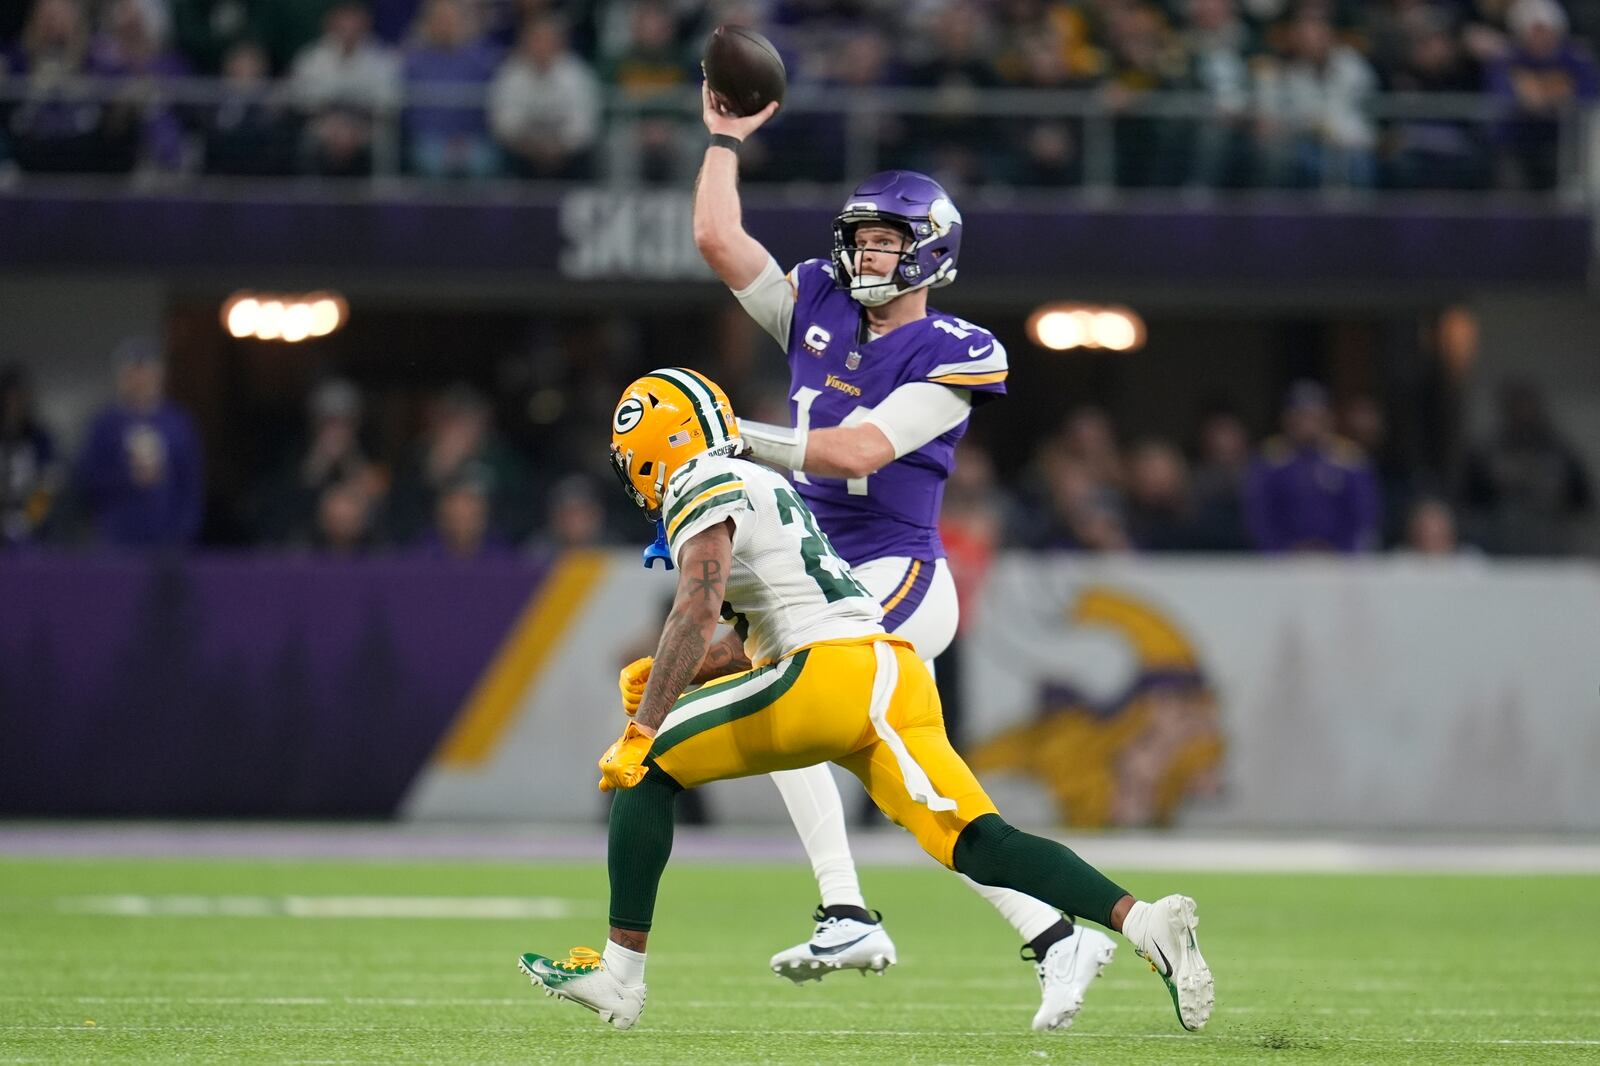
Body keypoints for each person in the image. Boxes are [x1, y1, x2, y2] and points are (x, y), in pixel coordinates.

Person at [517, 370, 1215, 1035]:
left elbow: (697, 610)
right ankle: (1144, 922)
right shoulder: (759, 481)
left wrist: (645, 722)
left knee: (650, 764)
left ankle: (620, 974)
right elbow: (753, 635)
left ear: (653, 445)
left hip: (827, 679)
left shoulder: (701, 477)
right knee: (980, 843)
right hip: (890, 674)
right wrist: (683, 674)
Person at [674, 88, 1116, 1032]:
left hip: (898, 571)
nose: (870, 254)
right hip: (815, 569)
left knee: (803, 691)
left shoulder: (960, 348)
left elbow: (860, 450)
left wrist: (729, 434)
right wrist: (722, 138)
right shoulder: (817, 305)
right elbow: (719, 240)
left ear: (932, 250)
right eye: (863, 239)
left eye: (888, 241)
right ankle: (1051, 932)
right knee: (907, 774)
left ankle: (846, 907)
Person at [74, 337, 204, 548]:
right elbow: (87, 481)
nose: (139, 379)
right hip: (116, 540)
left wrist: (183, 534)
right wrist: (128, 478)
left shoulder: (178, 424)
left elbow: (191, 484)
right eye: (132, 372)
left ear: (159, 375)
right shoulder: (105, 425)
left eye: (146, 371)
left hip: (168, 543)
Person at [1244, 381, 1380, 553]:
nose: (1307, 424)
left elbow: (1363, 514)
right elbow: (1260, 516)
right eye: (1300, 417)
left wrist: (1342, 552)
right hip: (1284, 562)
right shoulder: (1271, 460)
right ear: (1287, 419)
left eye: (1314, 417)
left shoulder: (1348, 459)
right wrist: (1282, 551)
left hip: (1339, 562)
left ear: (1328, 418)